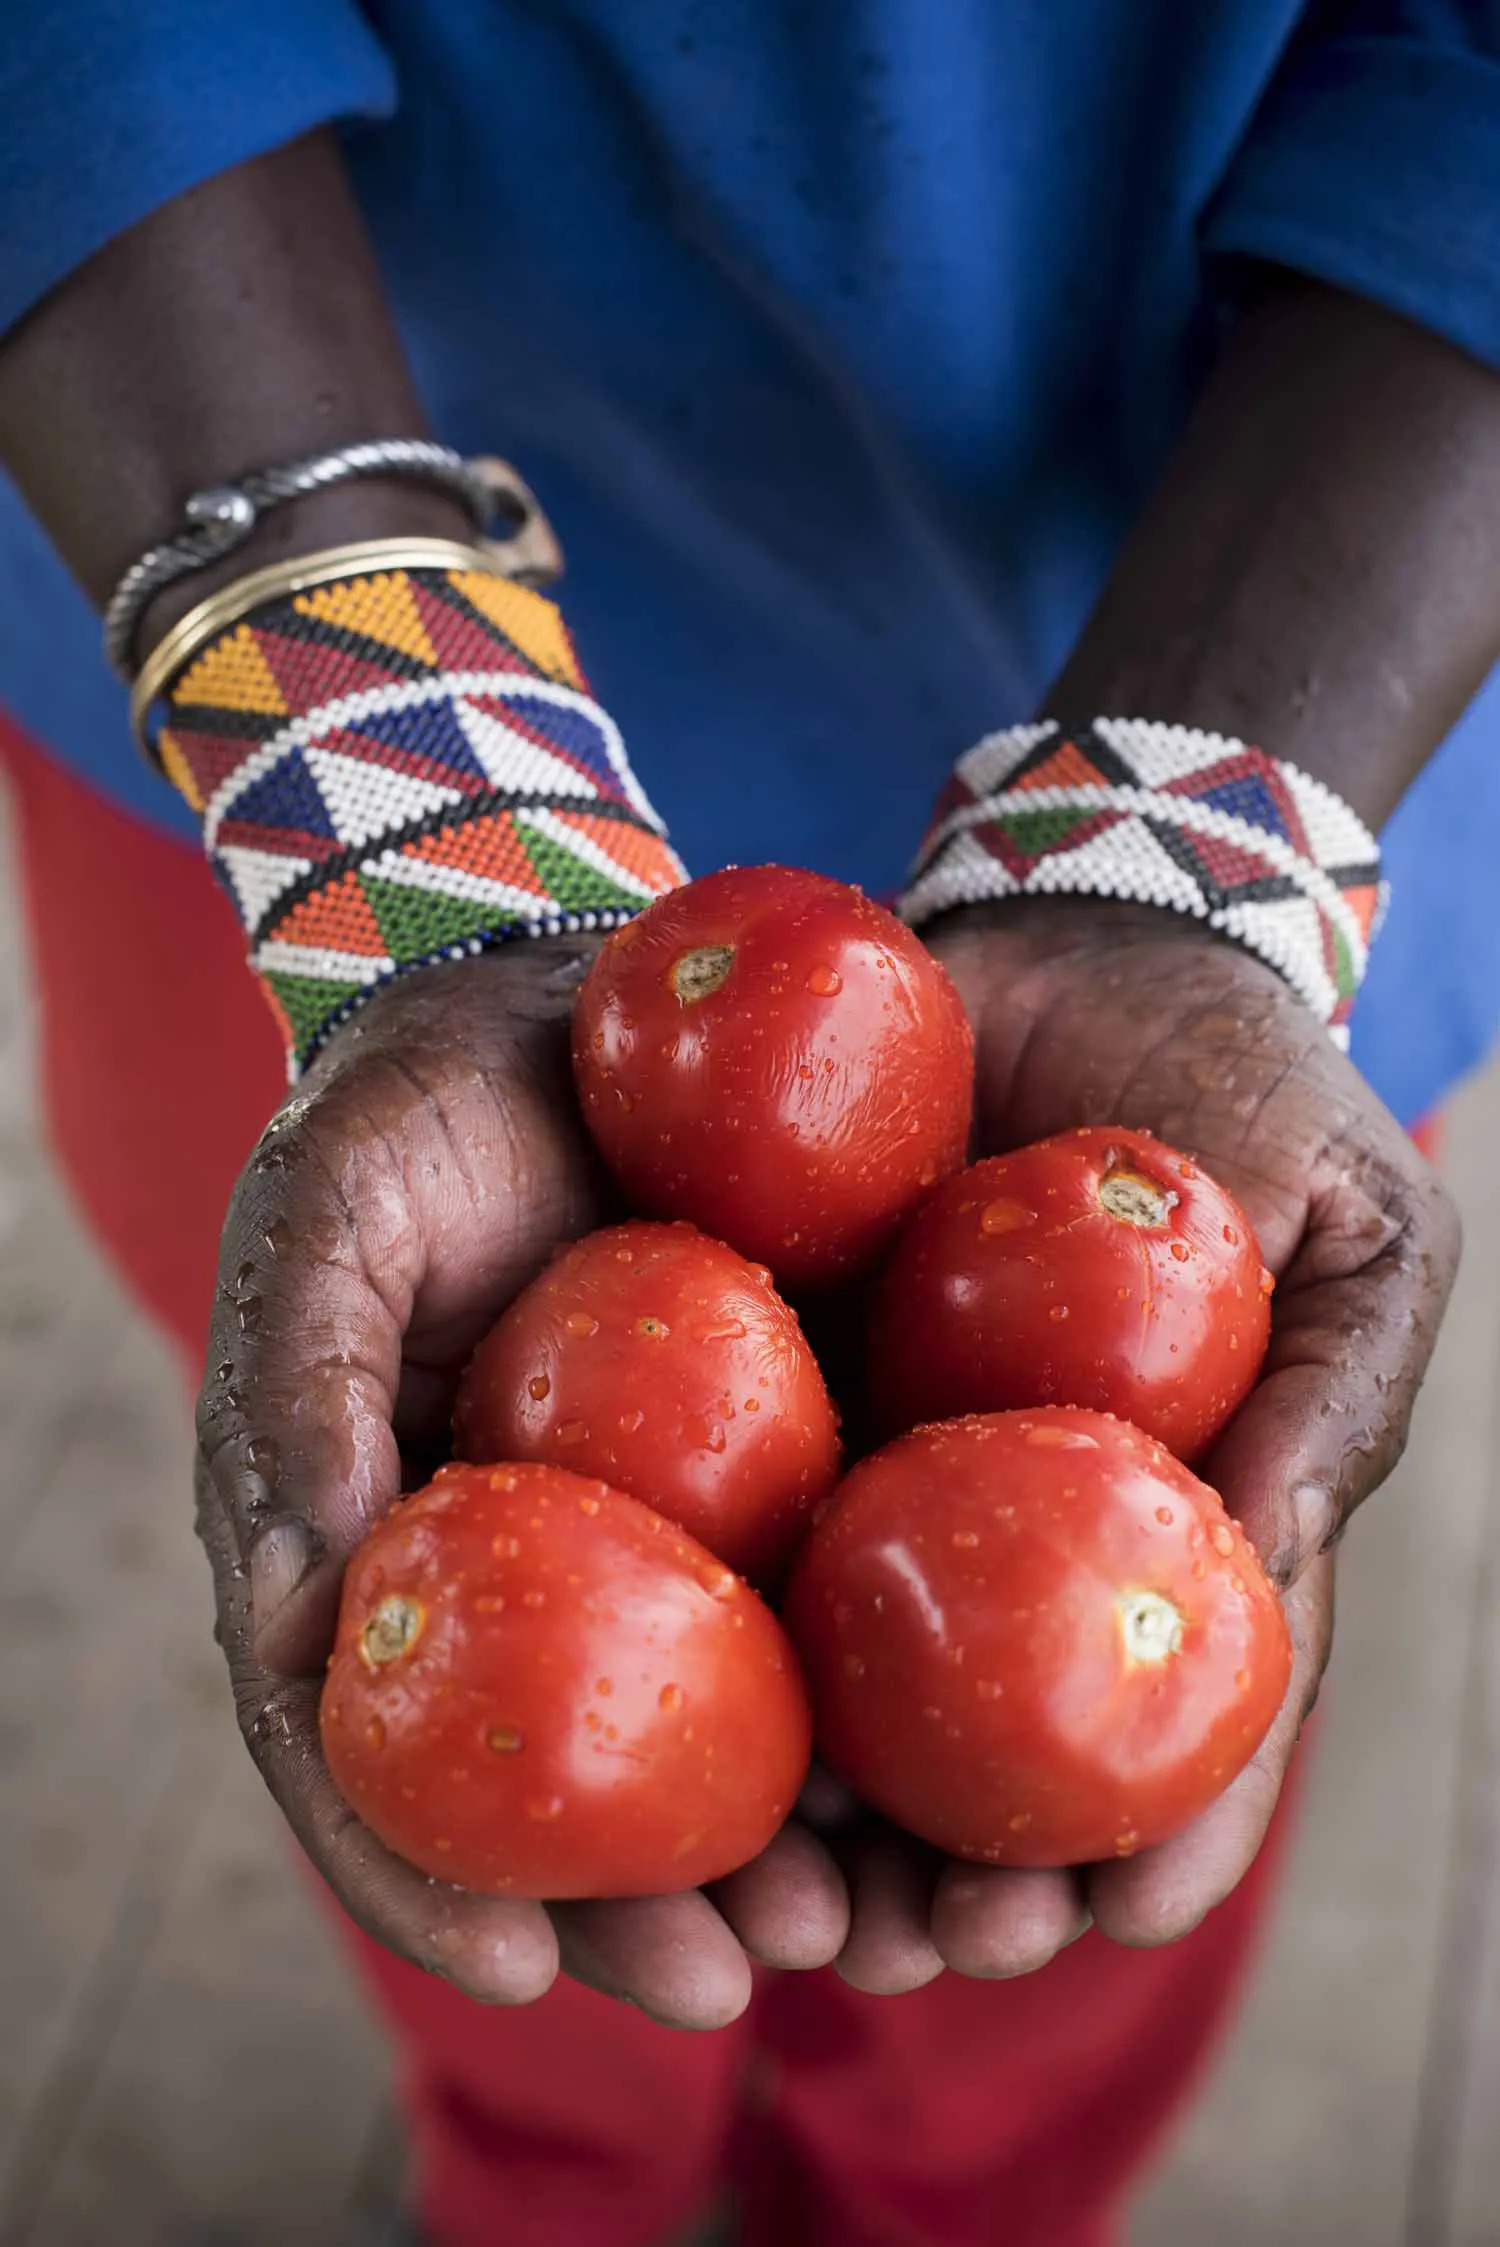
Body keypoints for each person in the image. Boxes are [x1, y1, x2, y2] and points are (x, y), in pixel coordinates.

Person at [0, 6, 1493, 2243]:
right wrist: (417, 802)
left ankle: (948, 2207)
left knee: (962, 1906)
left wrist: (1183, 846)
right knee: (448, 1676)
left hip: (1304, 590)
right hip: (244, 557)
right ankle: (549, 2186)